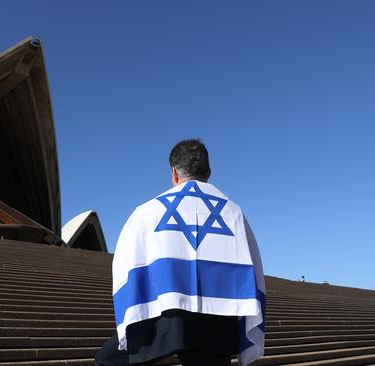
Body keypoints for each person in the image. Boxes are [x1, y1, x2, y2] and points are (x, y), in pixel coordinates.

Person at [95, 139, 266, 366]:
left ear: (174, 173)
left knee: (107, 361)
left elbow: (127, 263)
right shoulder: (233, 213)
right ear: (209, 172)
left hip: (165, 314)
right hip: (218, 319)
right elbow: (253, 268)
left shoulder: (147, 212)